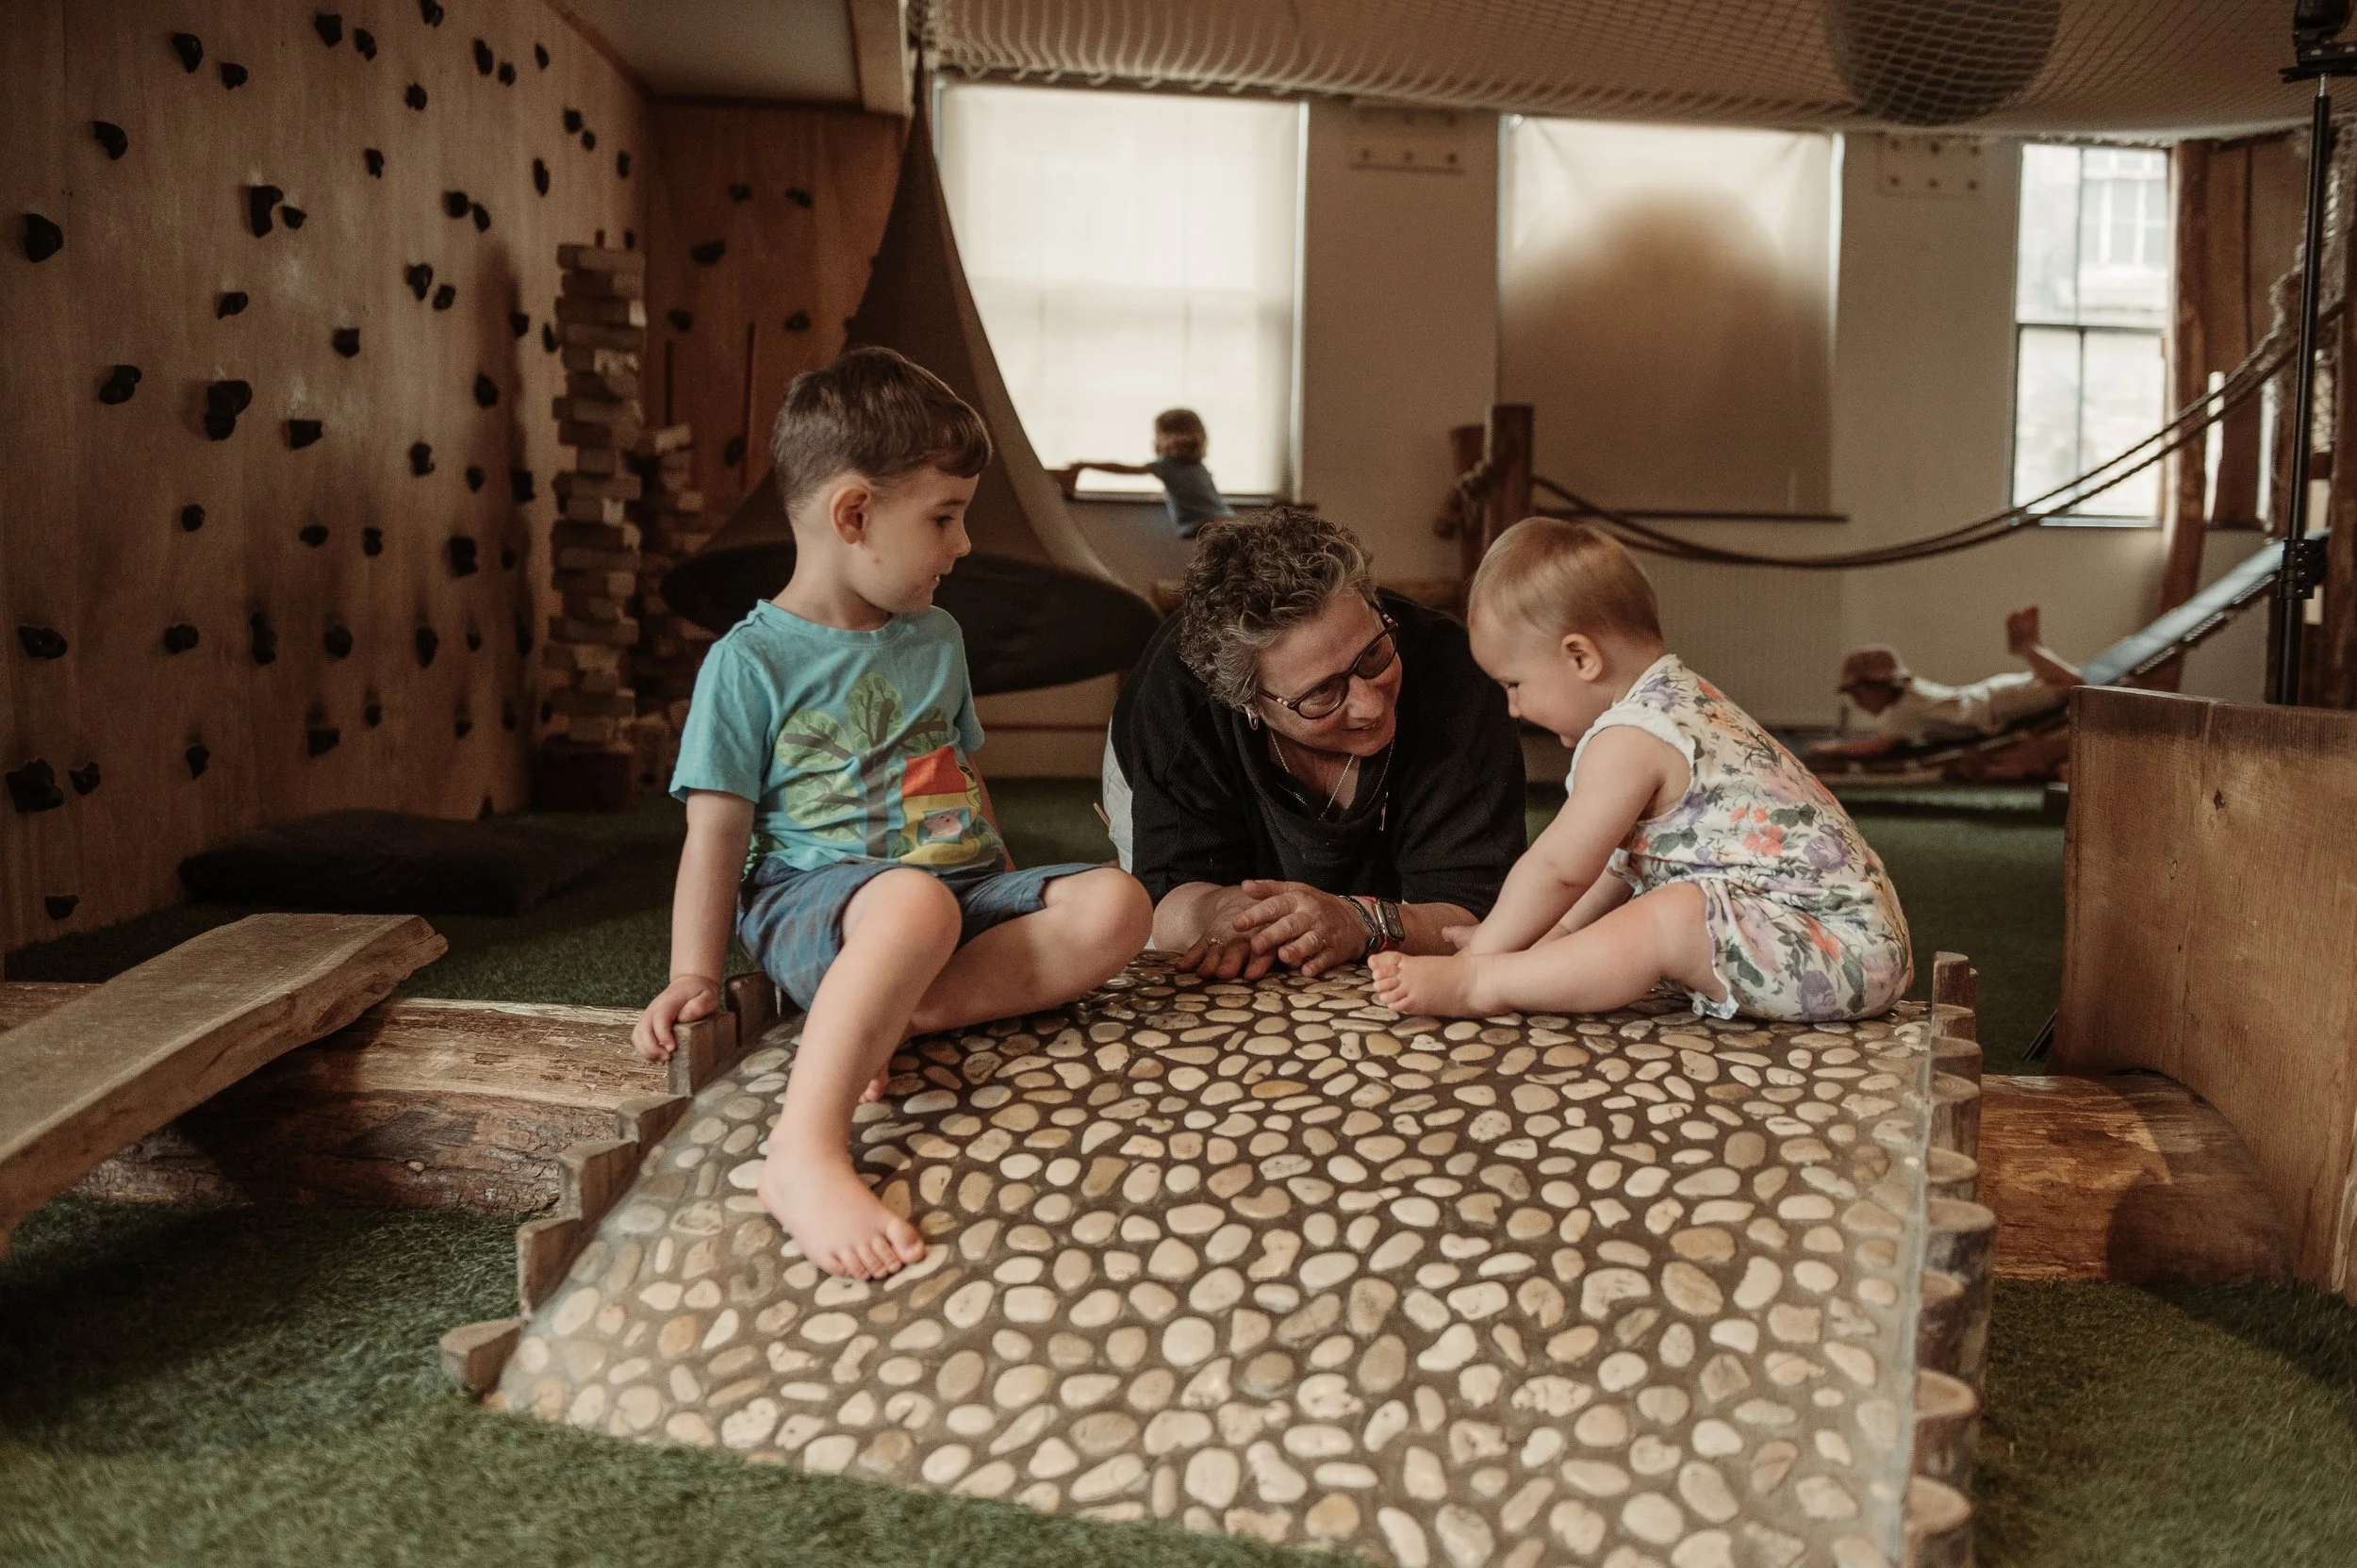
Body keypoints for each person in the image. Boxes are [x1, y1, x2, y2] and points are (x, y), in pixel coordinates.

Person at [634, 347, 1152, 1280]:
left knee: (1118, 902)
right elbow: (713, 836)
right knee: (915, 905)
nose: (960, 546)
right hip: (816, 896)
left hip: (947, 896)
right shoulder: (749, 662)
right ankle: (803, 1151)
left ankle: (890, 1014)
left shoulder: (937, 637)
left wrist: (1002, 889)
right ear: (854, 514)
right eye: (944, 518)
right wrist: (690, 972)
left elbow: (955, 773)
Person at [1370, 518, 1911, 1023]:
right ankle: (1512, 971)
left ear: (1580, 658)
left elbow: (1560, 867)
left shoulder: (1631, 737)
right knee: (1653, 904)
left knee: (1668, 918)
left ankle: (1484, 987)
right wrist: (1547, 937)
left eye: (1515, 685)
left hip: (1837, 953)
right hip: (1848, 944)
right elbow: (1618, 866)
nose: (1512, 709)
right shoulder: (1681, 703)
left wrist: (1484, 953)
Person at [1103, 505, 1526, 981]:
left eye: (1373, 656)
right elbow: (1164, 899)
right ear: (1248, 704)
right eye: (1322, 693)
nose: (1370, 705)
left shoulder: (1461, 687)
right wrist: (1224, 910)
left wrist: (1362, 920)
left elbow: (1478, 912)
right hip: (1158, 742)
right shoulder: (1181, 711)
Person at [1807, 606, 2085, 762]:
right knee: (2064, 681)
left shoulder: (1906, 710)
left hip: (1994, 705)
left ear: (1877, 687)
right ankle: (2032, 647)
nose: (1857, 703)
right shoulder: (1909, 694)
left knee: (2075, 686)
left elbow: (1877, 748)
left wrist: (1832, 748)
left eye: (1858, 696)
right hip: (1990, 694)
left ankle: (2027, 647)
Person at [1055, 407, 1236, 538]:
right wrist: (1169, 493)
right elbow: (1197, 492)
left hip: (1206, 526)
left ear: (1164, 438)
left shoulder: (1166, 465)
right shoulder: (1196, 465)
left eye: (1156, 435)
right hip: (1224, 519)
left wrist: (1085, 465)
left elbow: (1123, 469)